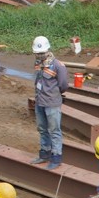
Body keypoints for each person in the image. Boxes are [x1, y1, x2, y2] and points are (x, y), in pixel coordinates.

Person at [31, 36, 70, 169]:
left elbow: (63, 85)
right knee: (42, 128)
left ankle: (56, 157)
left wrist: (54, 95)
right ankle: (44, 154)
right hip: (40, 102)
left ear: (47, 51)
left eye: (41, 53)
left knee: (54, 130)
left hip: (52, 103)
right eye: (37, 53)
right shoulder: (37, 64)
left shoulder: (58, 66)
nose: (39, 55)